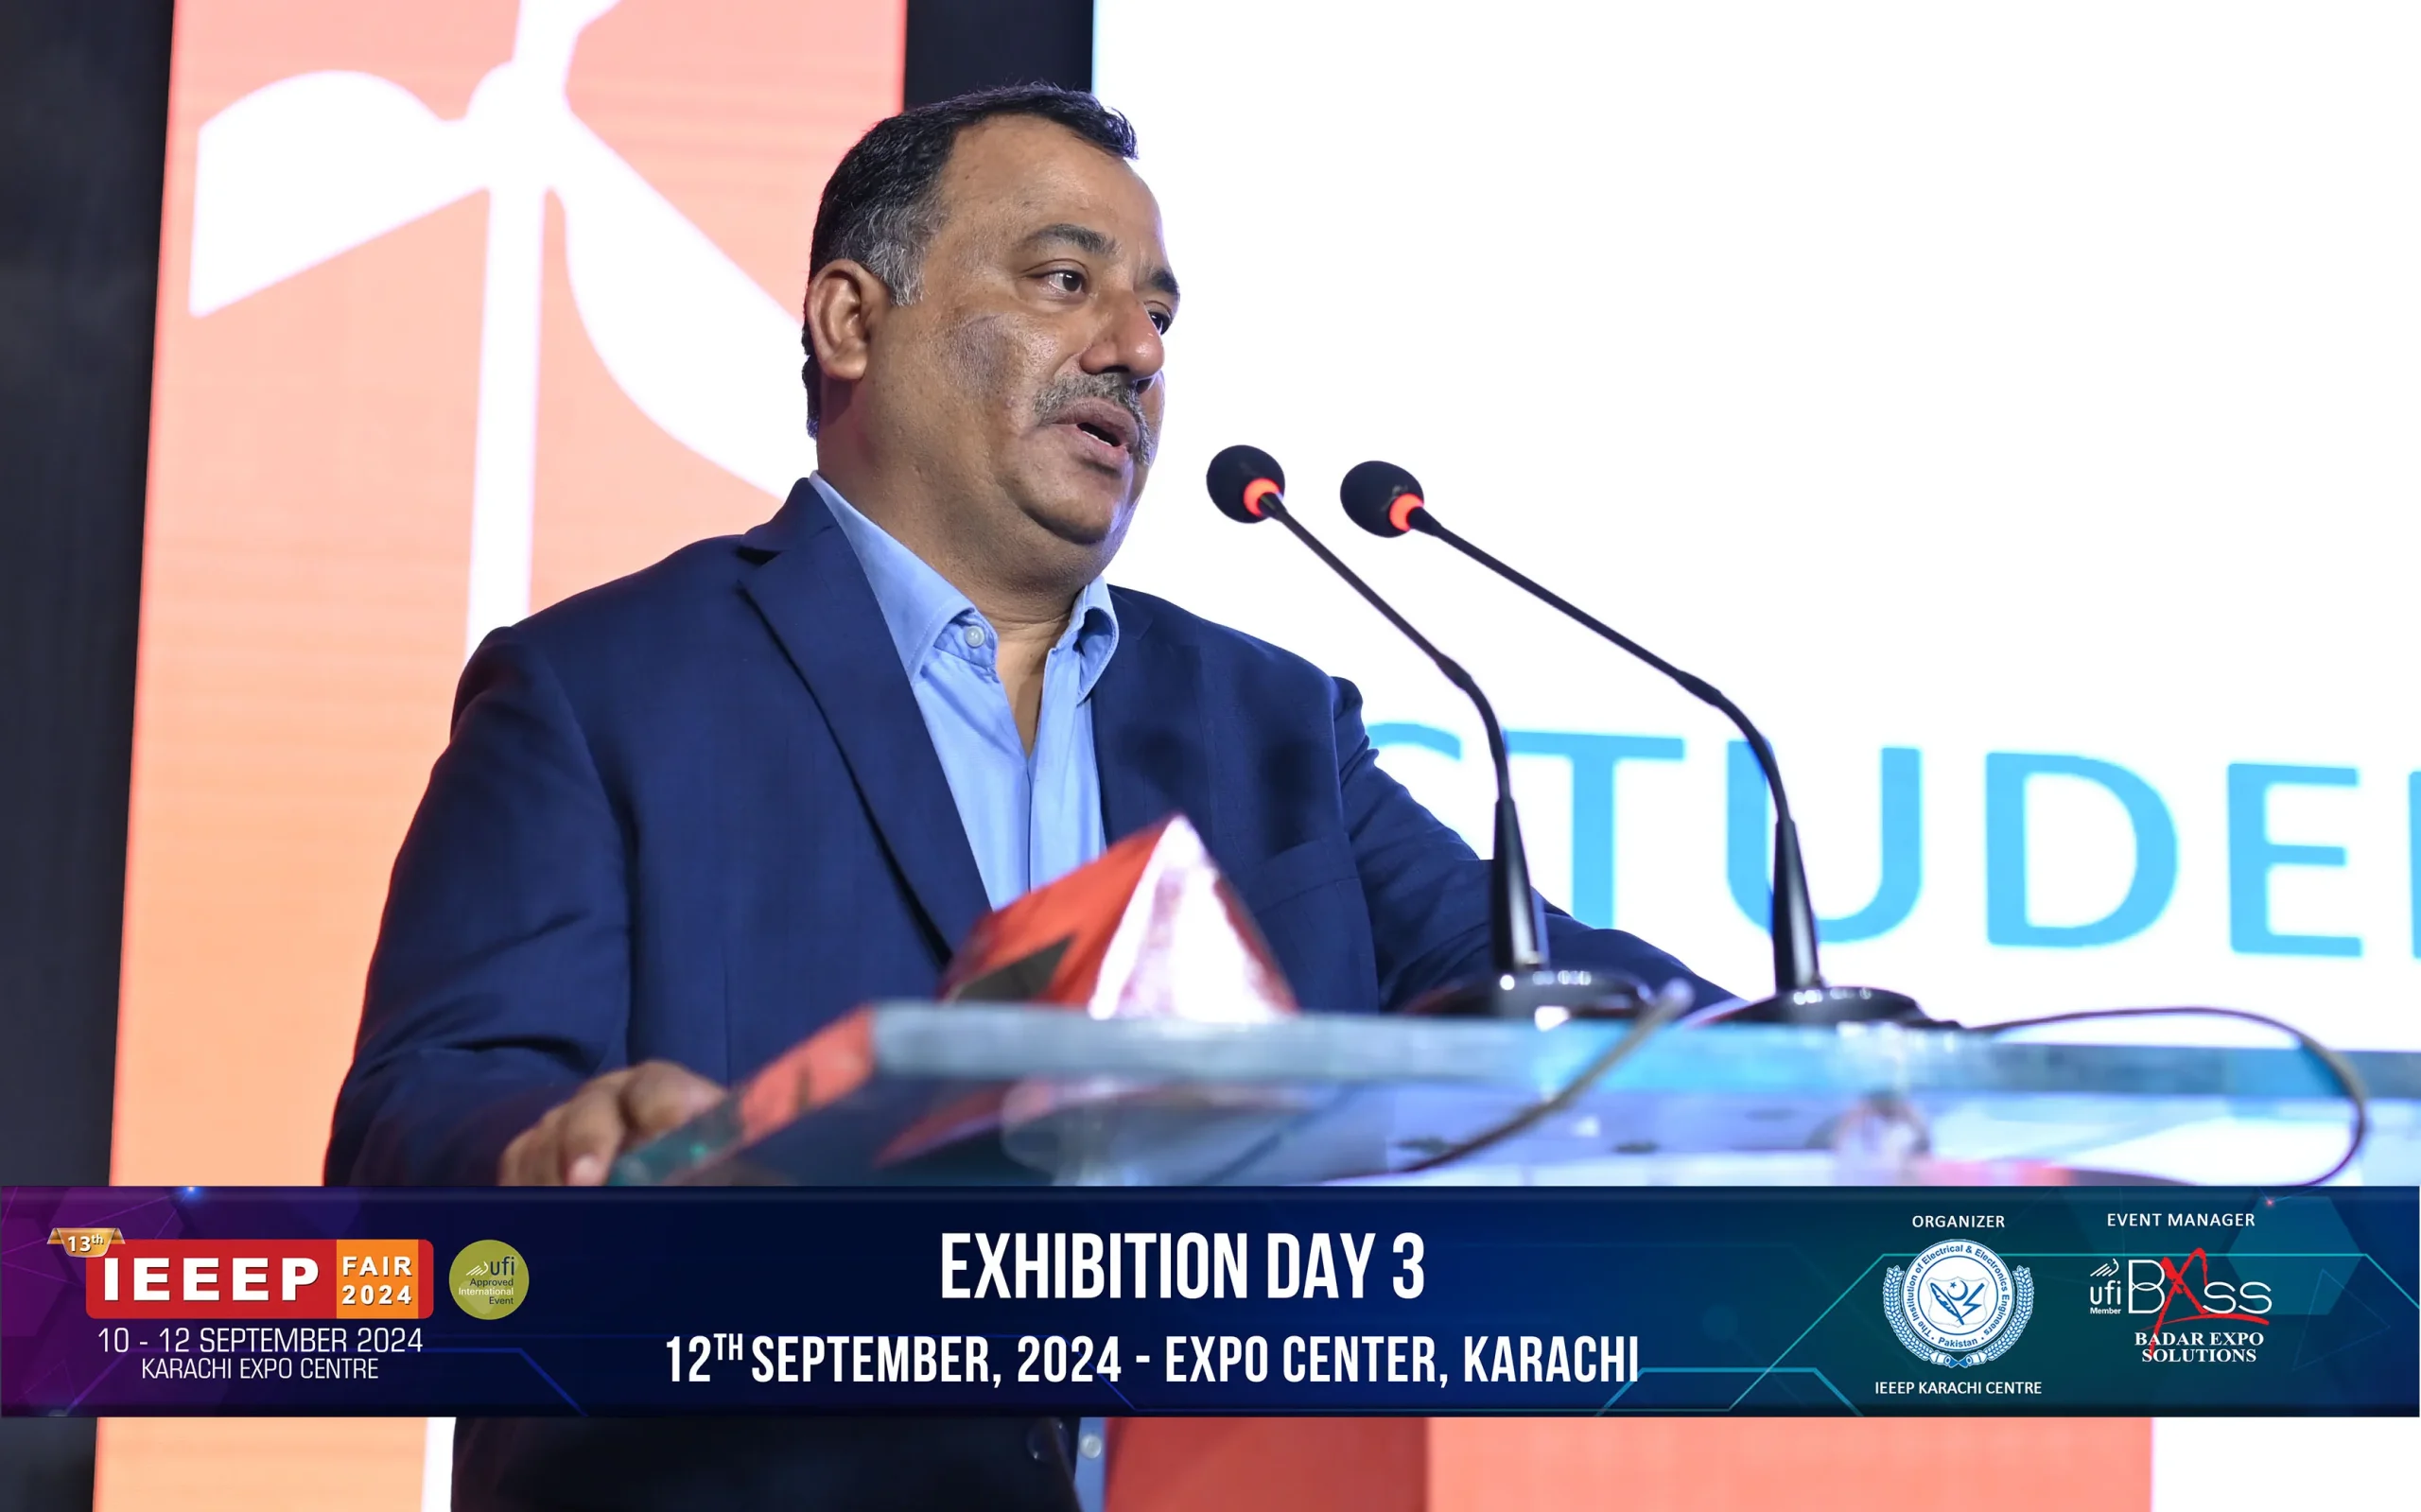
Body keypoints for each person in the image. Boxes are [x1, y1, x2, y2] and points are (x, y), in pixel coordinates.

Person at [327, 85, 1721, 1511]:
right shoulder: (603, 686)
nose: (1136, 350)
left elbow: (1552, 993)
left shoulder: (1274, 725)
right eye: (1067, 281)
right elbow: (411, 1128)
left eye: (1158, 314)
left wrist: (1812, 1050)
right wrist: (572, 1144)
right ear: (851, 321)